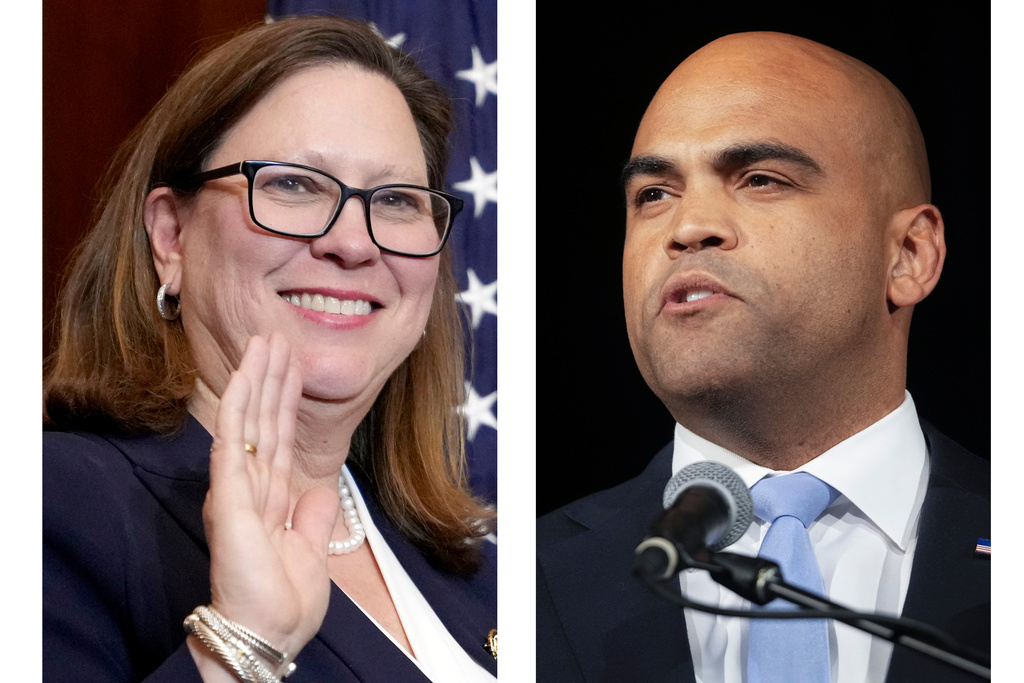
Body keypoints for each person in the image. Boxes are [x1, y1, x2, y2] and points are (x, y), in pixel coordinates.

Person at [43, 16, 496, 683]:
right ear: (171, 236)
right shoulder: (52, 502)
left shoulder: (472, 564)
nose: (353, 242)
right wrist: (242, 644)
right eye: (292, 184)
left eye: (396, 199)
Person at [536, 31, 989, 683]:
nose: (688, 226)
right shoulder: (518, 579)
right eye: (654, 194)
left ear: (909, 255)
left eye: (760, 179)